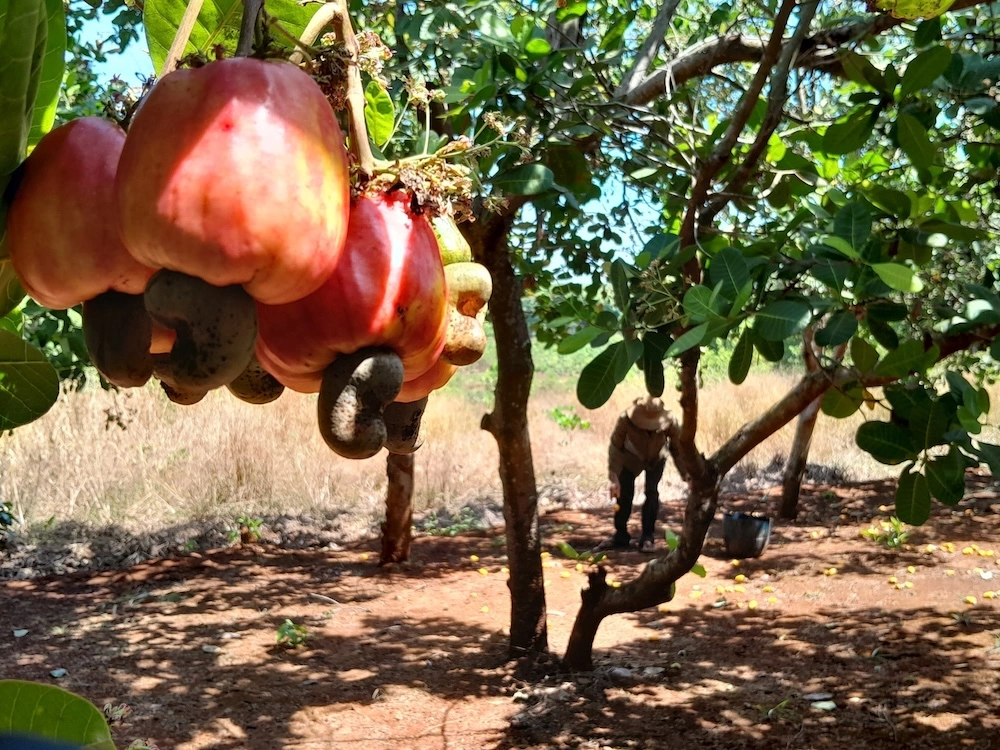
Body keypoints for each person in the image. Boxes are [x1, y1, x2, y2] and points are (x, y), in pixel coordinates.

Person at [597, 395, 678, 553]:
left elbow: (678, 449)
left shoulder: (670, 421)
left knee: (652, 492)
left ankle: (648, 537)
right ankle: (620, 534)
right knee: (624, 493)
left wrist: (687, 475)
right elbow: (615, 447)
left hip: (657, 458)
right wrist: (614, 478)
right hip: (630, 458)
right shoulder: (625, 419)